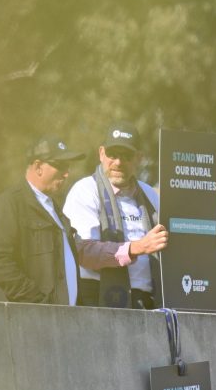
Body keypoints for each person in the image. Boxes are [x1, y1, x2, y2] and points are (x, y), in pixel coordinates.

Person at [0, 135, 167, 305]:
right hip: (32, 316)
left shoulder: (53, 208)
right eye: (60, 166)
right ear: (38, 167)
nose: (67, 173)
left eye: (68, 167)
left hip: (60, 314)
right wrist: (36, 301)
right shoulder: (12, 203)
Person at [62, 122, 162, 308]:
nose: (118, 162)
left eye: (126, 155)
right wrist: (135, 248)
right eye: (113, 154)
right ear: (101, 153)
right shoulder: (85, 190)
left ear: (139, 158)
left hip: (148, 301)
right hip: (98, 298)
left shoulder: (149, 194)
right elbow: (83, 252)